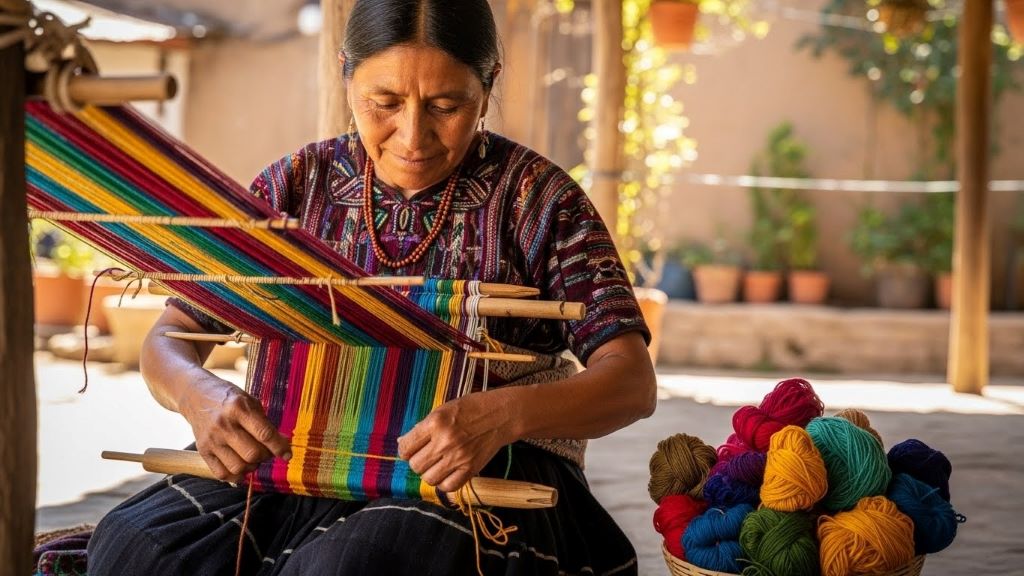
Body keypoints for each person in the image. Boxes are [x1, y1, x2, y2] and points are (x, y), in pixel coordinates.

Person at [87, 0, 656, 574]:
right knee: (135, 547)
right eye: (383, 103)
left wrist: (505, 415)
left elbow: (631, 381)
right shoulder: (292, 189)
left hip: (473, 468)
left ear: (488, 86)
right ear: (346, 74)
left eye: (446, 106)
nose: (413, 136)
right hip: (296, 454)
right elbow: (171, 336)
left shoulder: (540, 200)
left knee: (356, 564)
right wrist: (197, 395)